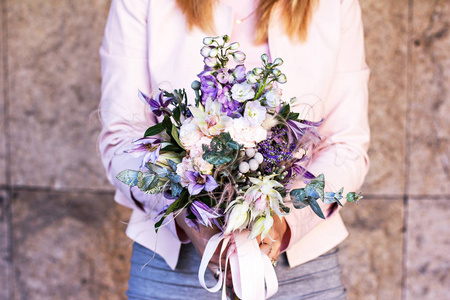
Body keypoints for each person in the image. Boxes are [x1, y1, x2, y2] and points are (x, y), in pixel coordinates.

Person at [98, 0, 370, 299]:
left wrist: (282, 222)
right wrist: (188, 217)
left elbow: (345, 144)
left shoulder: (332, 5)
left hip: (299, 271)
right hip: (174, 271)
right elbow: (122, 138)